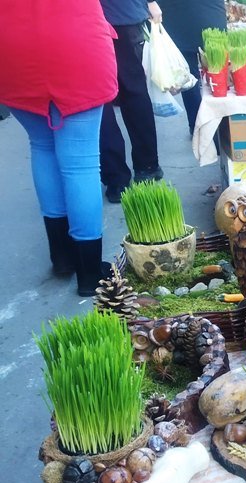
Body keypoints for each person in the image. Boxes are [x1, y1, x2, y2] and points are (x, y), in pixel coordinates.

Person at [0, 1, 118, 296]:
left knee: (41, 146)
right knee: (81, 164)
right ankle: (89, 273)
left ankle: (63, 257)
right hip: (75, 38)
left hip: (14, 43)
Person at [100, 0, 165, 203]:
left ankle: (116, 180)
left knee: (100, 100)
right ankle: (147, 167)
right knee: (133, 89)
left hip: (86, 18)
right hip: (123, 14)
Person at [158, 0, 227, 135]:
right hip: (208, 12)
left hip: (176, 15)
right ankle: (221, 126)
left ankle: (197, 126)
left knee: (189, 75)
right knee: (217, 72)